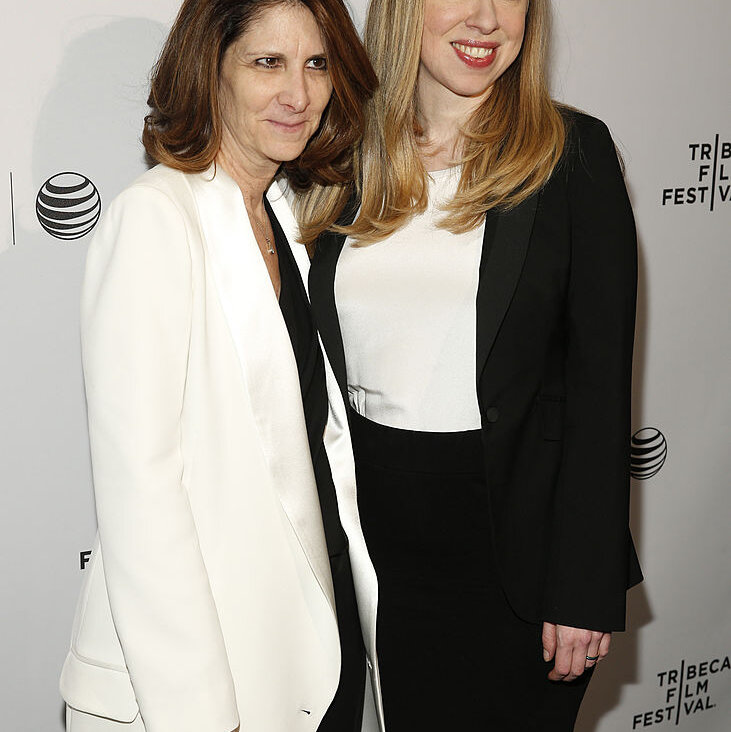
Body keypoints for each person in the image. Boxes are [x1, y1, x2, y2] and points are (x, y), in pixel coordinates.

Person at [307, 0, 643, 729]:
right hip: (368, 552)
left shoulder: (571, 153)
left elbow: (598, 390)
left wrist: (583, 590)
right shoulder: (340, 149)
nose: (488, 18)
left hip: (512, 564)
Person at [59, 1, 382, 731]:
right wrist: (198, 716)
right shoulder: (156, 220)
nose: (297, 94)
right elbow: (142, 493)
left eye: (317, 64)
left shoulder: (288, 221)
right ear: (212, 71)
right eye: (267, 62)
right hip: (202, 681)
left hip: (307, 655)